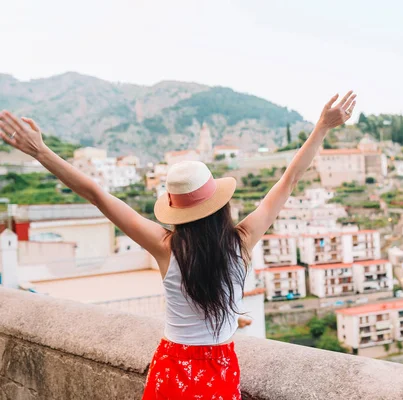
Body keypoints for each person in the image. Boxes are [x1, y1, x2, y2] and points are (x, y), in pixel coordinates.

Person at [0, 90, 356, 399]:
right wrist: (322, 125)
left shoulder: (164, 245)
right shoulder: (242, 240)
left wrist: (42, 152)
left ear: (175, 210)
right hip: (218, 367)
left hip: (172, 366)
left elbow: (96, 195)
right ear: (219, 203)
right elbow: (289, 180)